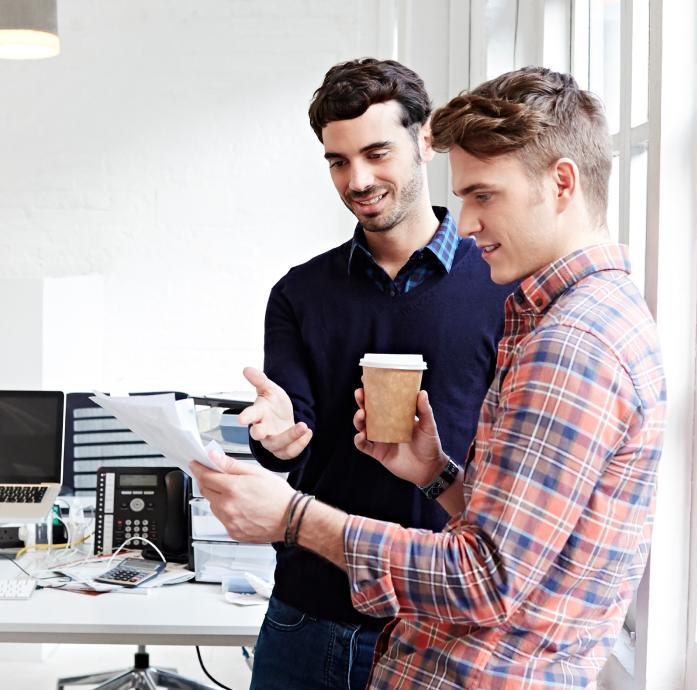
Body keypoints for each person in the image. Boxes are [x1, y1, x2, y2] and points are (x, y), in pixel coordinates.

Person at [192, 66, 666, 689]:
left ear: (561, 183)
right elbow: (519, 535)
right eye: (338, 161)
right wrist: (435, 472)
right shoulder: (579, 311)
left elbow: (485, 579)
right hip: (328, 613)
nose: (468, 222)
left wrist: (292, 519)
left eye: (484, 195)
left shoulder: (566, 338)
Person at [231, 58, 514, 690]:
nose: (357, 179)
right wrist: (275, 435)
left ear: (425, 140)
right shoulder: (299, 293)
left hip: (444, 620)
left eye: (377, 153)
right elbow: (288, 430)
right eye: (338, 161)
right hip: (309, 616)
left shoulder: (498, 284)